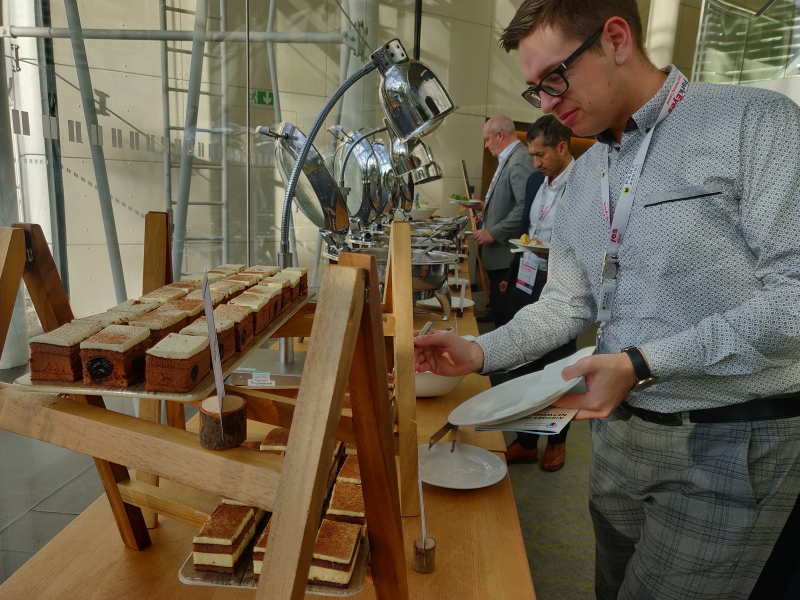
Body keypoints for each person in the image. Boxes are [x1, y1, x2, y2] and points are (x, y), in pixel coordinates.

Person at [413, 1, 800, 598]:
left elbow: (793, 299)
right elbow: (565, 303)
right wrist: (477, 352)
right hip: (616, 434)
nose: (543, 105)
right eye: (533, 89)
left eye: (553, 80)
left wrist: (643, 363)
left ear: (616, 38)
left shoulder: (754, 123)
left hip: (727, 437)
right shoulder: (585, 175)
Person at [501, 115, 577, 470]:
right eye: (532, 154)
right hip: (528, 278)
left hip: (565, 286)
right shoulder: (535, 181)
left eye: (540, 154)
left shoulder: (586, 184)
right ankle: (527, 441)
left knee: (559, 368)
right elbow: (527, 229)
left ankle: (556, 442)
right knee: (526, 362)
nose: (535, 162)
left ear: (562, 147)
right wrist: (513, 276)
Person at [473, 115, 533, 327]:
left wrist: (493, 232)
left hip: (505, 257)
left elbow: (525, 207)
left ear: (500, 135)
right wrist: (484, 207)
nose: (487, 145)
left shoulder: (520, 159)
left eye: (488, 139)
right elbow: (508, 201)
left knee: (504, 320)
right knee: (498, 312)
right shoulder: (508, 158)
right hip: (497, 256)